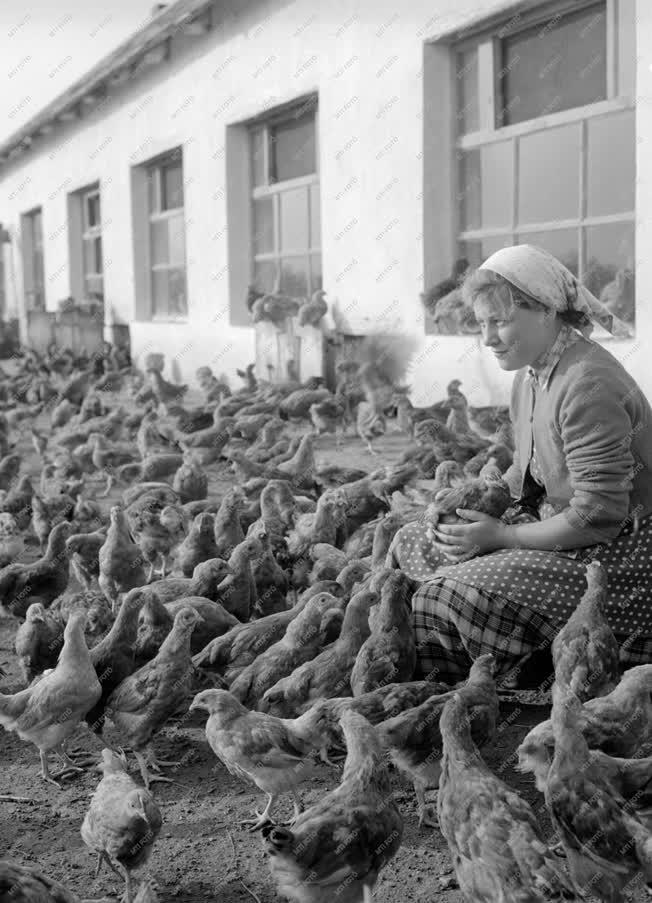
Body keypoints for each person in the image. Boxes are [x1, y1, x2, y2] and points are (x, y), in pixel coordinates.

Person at [393, 244, 652, 687]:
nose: (488, 337)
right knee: (414, 539)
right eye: (481, 324)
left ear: (548, 311)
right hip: (559, 525)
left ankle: (550, 666)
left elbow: (598, 515)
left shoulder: (588, 384)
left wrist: (504, 536)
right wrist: (481, 499)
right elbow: (529, 471)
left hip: (619, 553)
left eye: (501, 321)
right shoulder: (532, 375)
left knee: (445, 597)